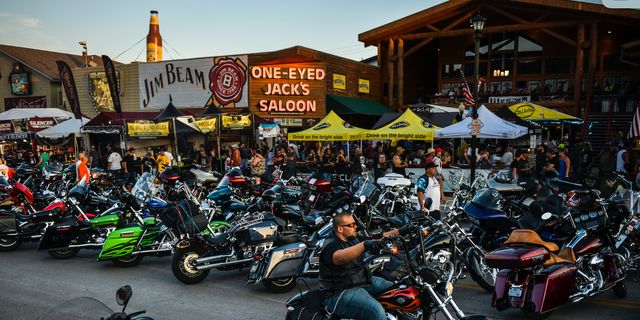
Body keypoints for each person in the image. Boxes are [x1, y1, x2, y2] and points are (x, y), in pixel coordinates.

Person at [319, 211, 412, 320]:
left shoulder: (352, 238)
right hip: (339, 293)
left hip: (362, 281)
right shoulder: (331, 245)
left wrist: (401, 231)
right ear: (340, 229)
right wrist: (364, 245)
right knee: (376, 310)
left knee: (399, 291)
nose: (356, 227)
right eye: (352, 225)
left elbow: (378, 238)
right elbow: (341, 257)